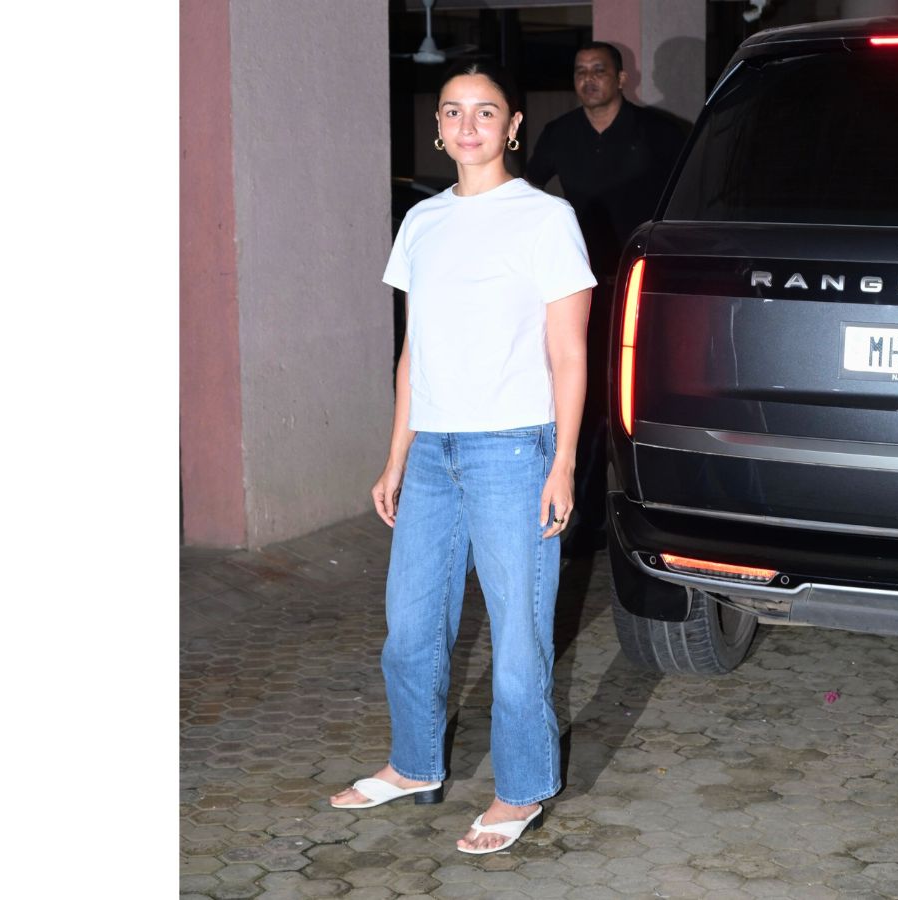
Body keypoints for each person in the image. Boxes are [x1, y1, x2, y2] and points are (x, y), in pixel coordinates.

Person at [328, 61, 595, 856]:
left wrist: (563, 462)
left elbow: (570, 354)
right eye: (452, 111)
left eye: (485, 111)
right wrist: (395, 456)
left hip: (513, 448)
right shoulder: (422, 221)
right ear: (439, 128)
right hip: (433, 452)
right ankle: (414, 764)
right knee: (410, 627)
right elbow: (416, 350)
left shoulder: (546, 218)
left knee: (518, 636)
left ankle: (522, 788)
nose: (467, 124)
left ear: (512, 126)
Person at [526, 42, 687, 557]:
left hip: (644, 285)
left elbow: (692, 196)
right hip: (583, 288)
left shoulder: (661, 133)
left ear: (621, 78)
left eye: (599, 70)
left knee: (644, 397)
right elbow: (527, 193)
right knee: (588, 397)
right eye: (580, 71)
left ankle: (655, 508)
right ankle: (588, 516)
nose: (588, 79)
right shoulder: (560, 134)